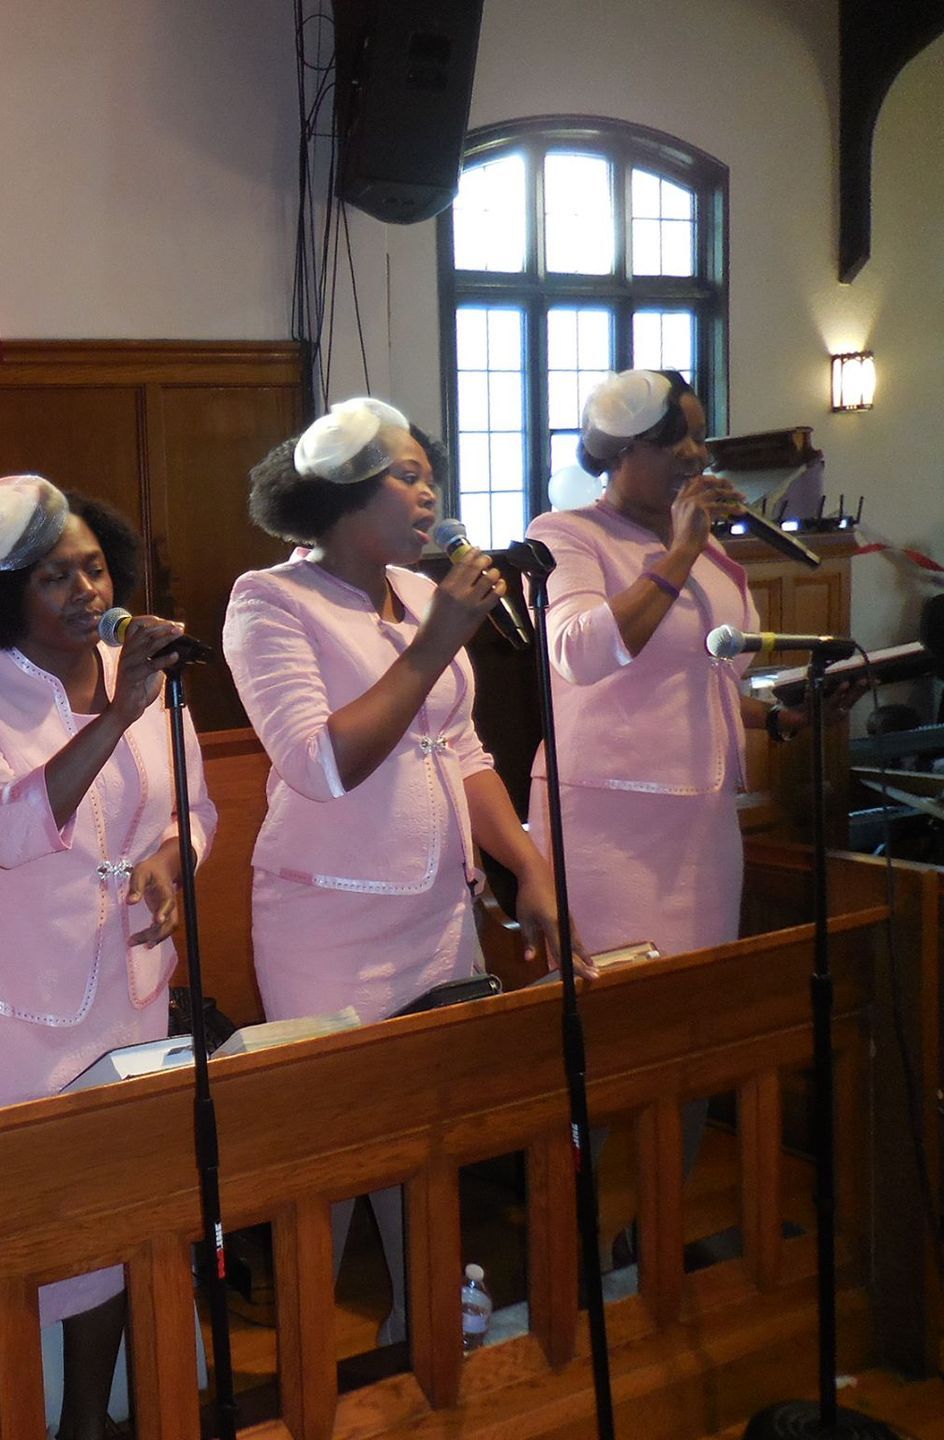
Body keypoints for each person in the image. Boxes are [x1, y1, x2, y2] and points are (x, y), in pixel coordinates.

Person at [222, 398, 583, 1344]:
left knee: (433, 1141)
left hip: (438, 914)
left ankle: (422, 1346)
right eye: (407, 475)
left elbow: (463, 750)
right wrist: (436, 643)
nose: (431, 494)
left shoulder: (425, 596)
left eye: (432, 475)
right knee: (331, 1159)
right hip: (326, 925)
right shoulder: (268, 602)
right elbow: (319, 761)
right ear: (339, 489)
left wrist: (527, 862)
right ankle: (311, 1367)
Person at [0, 474, 216, 1440]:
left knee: (124, 1216)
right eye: (55, 577)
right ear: (8, 590)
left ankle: (89, 1422)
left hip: (128, 992)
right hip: (11, 1008)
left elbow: (192, 812)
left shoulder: (148, 670)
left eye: (94, 568)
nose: (86, 591)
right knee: (29, 1232)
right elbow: (4, 826)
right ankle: (28, 1418)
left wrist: (172, 864)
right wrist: (118, 715)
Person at [524, 370, 855, 1192]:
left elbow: (710, 678)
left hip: (701, 829)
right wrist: (676, 550)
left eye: (700, 439)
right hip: (606, 829)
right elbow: (582, 653)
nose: (697, 455)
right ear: (627, 450)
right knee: (609, 1043)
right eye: (680, 440)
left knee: (693, 1036)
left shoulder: (710, 555)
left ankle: (656, 1232)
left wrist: (782, 717)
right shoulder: (566, 534)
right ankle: (586, 1252)